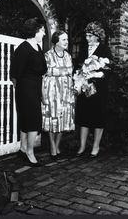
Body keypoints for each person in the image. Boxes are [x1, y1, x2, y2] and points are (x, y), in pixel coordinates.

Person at [10, 17, 47, 166]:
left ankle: (23, 148)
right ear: (36, 31)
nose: (44, 33)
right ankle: (30, 152)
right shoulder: (23, 48)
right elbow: (14, 74)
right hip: (25, 90)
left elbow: (42, 71)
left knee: (28, 120)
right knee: (32, 120)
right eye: (42, 30)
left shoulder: (38, 48)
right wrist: (21, 90)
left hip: (35, 88)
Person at [75, 21, 112, 157]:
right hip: (85, 87)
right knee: (83, 116)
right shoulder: (84, 49)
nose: (87, 38)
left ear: (97, 36)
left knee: (98, 117)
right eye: (87, 36)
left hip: (99, 89)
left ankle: (95, 147)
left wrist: (98, 73)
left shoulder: (104, 49)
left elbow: (109, 68)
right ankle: (82, 146)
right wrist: (80, 76)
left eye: (90, 36)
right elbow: (78, 65)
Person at [42, 30, 75, 160]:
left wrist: (59, 72)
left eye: (67, 39)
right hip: (52, 91)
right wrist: (63, 71)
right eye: (64, 39)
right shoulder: (48, 55)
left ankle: (57, 145)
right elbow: (46, 72)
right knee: (52, 117)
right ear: (56, 42)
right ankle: (52, 146)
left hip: (66, 91)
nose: (67, 42)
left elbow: (70, 72)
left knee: (63, 117)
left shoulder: (68, 56)